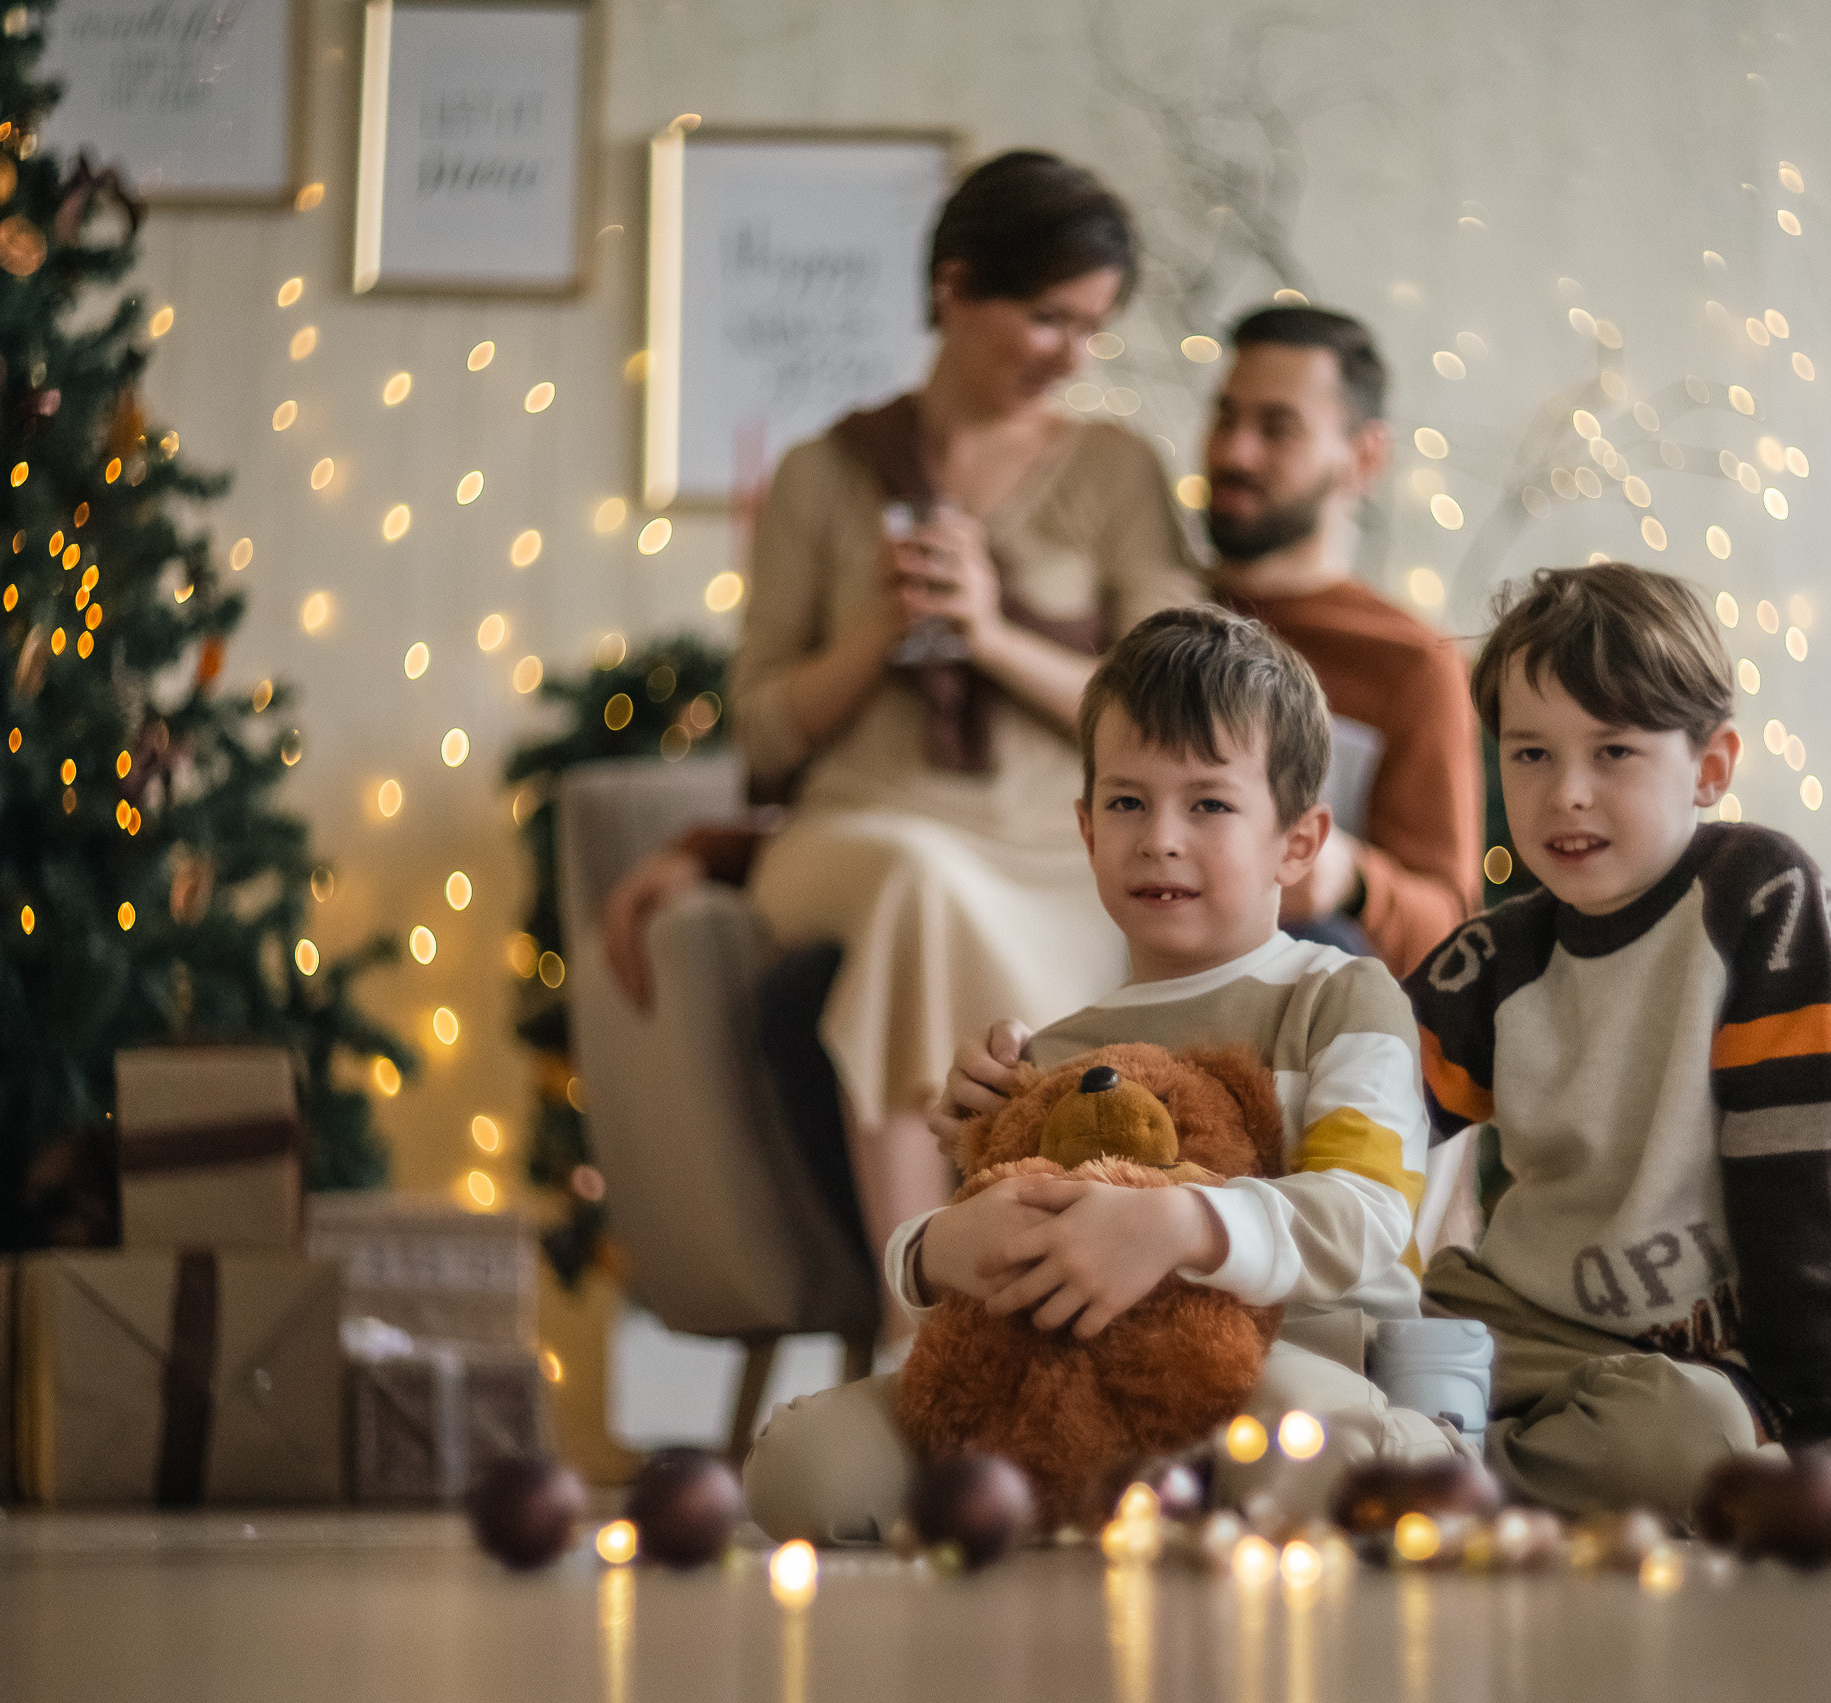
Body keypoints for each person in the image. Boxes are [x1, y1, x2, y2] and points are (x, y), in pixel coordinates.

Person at [608, 152, 1202, 1358]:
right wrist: (878, 633)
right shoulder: (825, 476)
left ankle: (1006, 1300)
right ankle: (917, 1313)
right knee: (919, 878)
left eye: (1091, 327)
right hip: (853, 834)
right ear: (954, 287)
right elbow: (764, 735)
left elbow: (1167, 705)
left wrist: (986, 634)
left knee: (947, 901)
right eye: (1045, 316)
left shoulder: (1116, 474)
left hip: (1055, 845)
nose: (1069, 353)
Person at [743, 607, 1466, 1543]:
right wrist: (938, 1245)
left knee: (1296, 1432)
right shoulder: (1059, 1048)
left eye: (1208, 804)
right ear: (1085, 831)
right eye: (1128, 802)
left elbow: (1368, 1216)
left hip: (1297, 1361)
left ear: (1298, 841)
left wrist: (1180, 1224)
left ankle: (1418, 1453)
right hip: (1081, 1377)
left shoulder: (1343, 997)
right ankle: (1120, 1497)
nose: (1159, 837)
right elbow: (1004, 1251)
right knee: (803, 1469)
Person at [1407, 563, 1831, 1536]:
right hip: (1510, 1323)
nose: (1564, 793)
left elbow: (1801, 1204)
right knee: (1342, 1338)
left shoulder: (1762, 904)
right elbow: (1360, 1115)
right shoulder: (1494, 955)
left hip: (1688, 1368)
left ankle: (1432, 1467)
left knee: (1684, 1439)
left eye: (1613, 751)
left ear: (1710, 767)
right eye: (1530, 754)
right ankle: (1435, 1448)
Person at [1202, 305, 1484, 980]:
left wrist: (1350, 878)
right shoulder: (1157, 605)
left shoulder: (1410, 664)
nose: (1234, 453)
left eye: (1277, 428)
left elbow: (1450, 928)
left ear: (1364, 456)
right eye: (1224, 417)